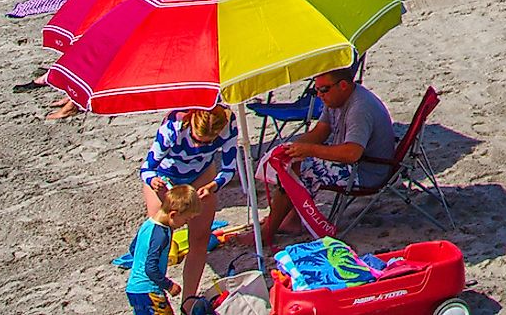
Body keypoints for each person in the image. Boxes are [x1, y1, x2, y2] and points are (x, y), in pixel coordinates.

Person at [256, 67, 398, 247]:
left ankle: (267, 232)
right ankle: (292, 219)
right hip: (356, 162)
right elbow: (321, 131)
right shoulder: (335, 99)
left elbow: (351, 153)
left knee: (299, 168)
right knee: (291, 162)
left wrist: (309, 150)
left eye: (323, 90)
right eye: (316, 91)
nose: (320, 95)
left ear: (343, 85)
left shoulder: (359, 108)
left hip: (367, 171)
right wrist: (291, 149)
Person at [139, 104, 238, 310]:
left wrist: (214, 185)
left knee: (200, 238)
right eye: (197, 140)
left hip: (201, 174)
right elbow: (147, 168)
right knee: (160, 239)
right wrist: (153, 181)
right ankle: (157, 294)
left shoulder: (228, 125)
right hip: (166, 175)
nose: (199, 147)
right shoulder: (174, 125)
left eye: (208, 143)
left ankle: (188, 300)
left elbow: (229, 168)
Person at [126, 180, 199, 315]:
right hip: (149, 290)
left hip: (134, 289)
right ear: (173, 214)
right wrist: (169, 285)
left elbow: (133, 249)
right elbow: (150, 268)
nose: (184, 224)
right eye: (186, 219)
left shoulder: (147, 224)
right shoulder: (161, 234)